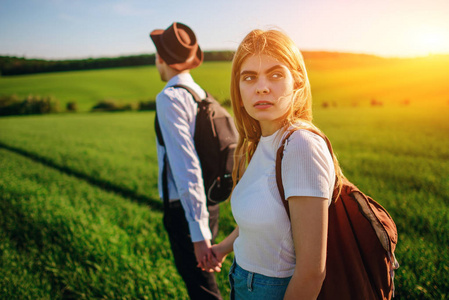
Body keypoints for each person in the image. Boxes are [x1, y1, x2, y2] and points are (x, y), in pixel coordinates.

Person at [199, 29, 345, 299]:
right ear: (239, 91)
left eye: (276, 74)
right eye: (249, 77)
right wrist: (223, 248)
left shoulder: (300, 145)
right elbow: (265, 218)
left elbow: (312, 271)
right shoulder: (261, 143)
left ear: (297, 82)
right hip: (242, 279)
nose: (261, 86)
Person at [150, 22, 222, 300]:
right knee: (205, 285)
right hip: (209, 203)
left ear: (160, 59)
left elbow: (186, 166)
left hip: (185, 211)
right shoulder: (201, 95)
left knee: (203, 290)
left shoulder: (169, 98)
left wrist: (198, 234)